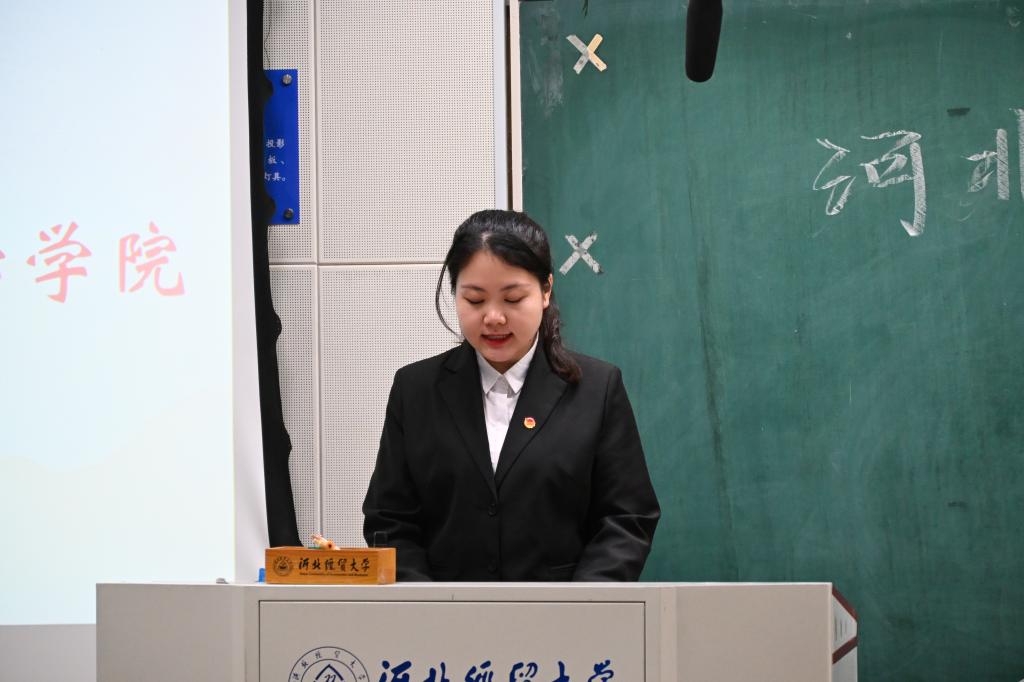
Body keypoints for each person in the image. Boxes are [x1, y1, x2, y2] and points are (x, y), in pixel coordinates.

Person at [362, 210, 660, 581]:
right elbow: (389, 519)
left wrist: (584, 602)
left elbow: (627, 518)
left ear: (546, 290)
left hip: (565, 612)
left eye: (513, 299)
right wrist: (426, 603)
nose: (494, 317)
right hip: (443, 612)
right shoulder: (415, 390)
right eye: (475, 300)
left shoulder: (597, 388)